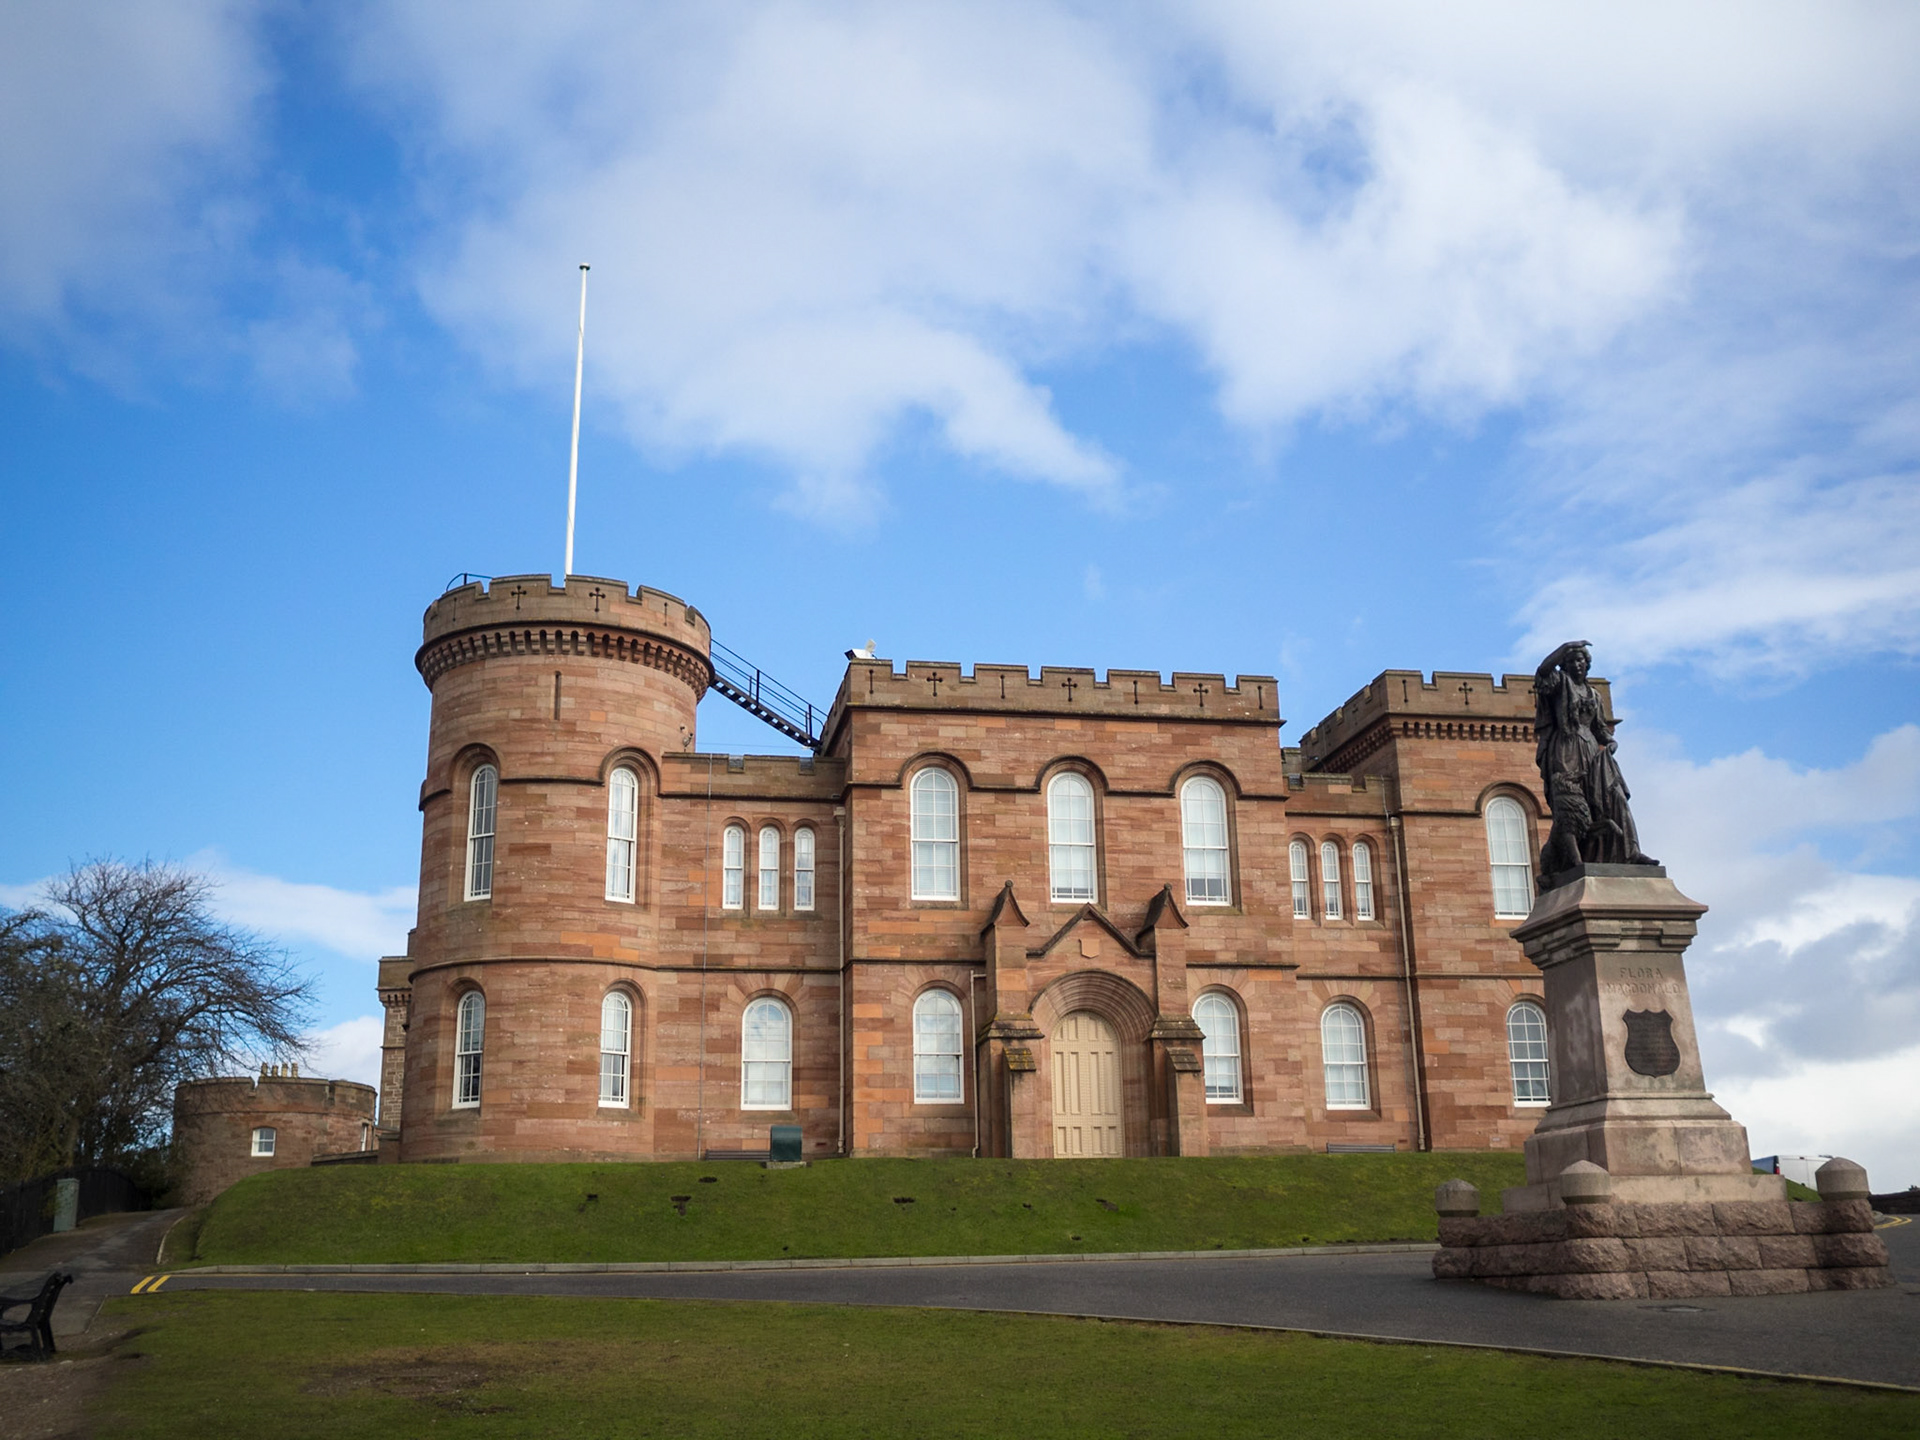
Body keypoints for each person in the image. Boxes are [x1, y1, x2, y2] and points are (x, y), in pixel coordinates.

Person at [1534, 640, 1657, 888]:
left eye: (1580, 660)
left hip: (1591, 752)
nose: (1577, 664)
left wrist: (1611, 743)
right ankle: (1571, 861)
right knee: (1572, 807)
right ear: (1565, 665)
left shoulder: (1594, 696)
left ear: (1587, 664)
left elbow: (1600, 730)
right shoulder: (1560, 685)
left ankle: (1631, 852)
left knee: (1615, 798)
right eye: (1571, 661)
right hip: (1566, 750)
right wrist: (1564, 648)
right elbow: (1542, 672)